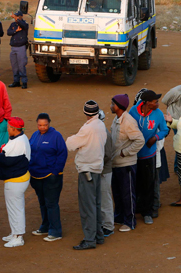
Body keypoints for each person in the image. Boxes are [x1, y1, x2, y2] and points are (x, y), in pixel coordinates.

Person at [66, 101, 107, 250]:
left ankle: (90, 240)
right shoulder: (101, 125)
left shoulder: (87, 128)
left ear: (85, 113)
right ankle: (98, 236)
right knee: (95, 205)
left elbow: (70, 144)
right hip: (96, 169)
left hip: (87, 171)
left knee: (87, 207)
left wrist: (74, 138)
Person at [0, 117, 31, 248]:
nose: (7, 129)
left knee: (15, 209)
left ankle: (18, 237)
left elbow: (0, 159)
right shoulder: (18, 139)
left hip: (16, 181)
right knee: (13, 208)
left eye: (8, 127)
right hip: (17, 179)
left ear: (14, 129)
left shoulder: (17, 143)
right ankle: (14, 233)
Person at [129, 90, 169, 225]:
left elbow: (164, 129)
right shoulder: (133, 112)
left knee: (148, 184)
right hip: (134, 155)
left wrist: (155, 137)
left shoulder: (158, 114)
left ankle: (147, 212)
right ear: (147, 103)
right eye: (155, 101)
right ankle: (136, 209)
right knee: (135, 183)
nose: (157, 103)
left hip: (149, 155)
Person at [28, 113, 67, 242]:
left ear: (49, 123)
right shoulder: (34, 135)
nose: (42, 127)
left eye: (45, 125)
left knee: (51, 203)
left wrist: (55, 172)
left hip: (51, 177)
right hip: (36, 176)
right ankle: (45, 226)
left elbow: (62, 154)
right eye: (40, 125)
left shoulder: (56, 136)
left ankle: (56, 231)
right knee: (42, 202)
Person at [109, 94, 144, 232]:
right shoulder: (116, 119)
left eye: (113, 104)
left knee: (127, 193)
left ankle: (130, 221)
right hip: (116, 163)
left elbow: (139, 140)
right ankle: (119, 217)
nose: (111, 106)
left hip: (126, 164)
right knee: (117, 192)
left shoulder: (128, 121)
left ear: (119, 106)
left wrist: (125, 152)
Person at [97, 110, 114, 236]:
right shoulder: (98, 132)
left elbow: (107, 154)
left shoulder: (104, 134)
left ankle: (108, 226)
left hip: (104, 171)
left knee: (105, 199)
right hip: (99, 170)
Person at [7, 11, 30, 89]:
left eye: (17, 16)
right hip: (13, 47)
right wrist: (15, 31)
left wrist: (18, 21)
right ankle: (16, 81)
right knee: (14, 66)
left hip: (21, 47)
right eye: (15, 16)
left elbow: (24, 26)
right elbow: (8, 32)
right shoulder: (13, 25)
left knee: (21, 65)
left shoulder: (24, 24)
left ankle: (24, 82)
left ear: (21, 17)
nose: (16, 18)